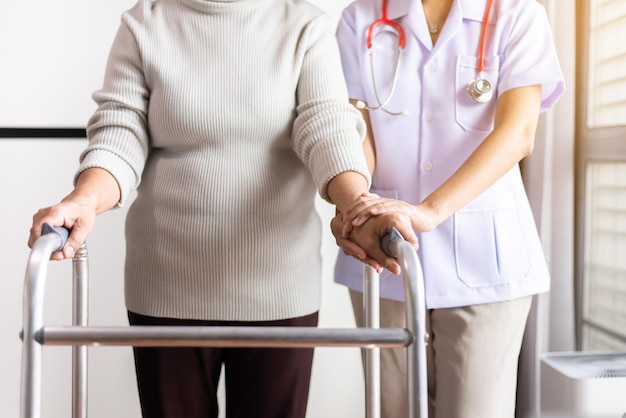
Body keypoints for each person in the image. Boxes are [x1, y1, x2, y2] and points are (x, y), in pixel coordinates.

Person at [27, 0, 416, 417]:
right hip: (166, 285)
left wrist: (358, 204)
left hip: (277, 287)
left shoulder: (304, 25)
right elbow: (121, 130)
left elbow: (326, 127)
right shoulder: (145, 23)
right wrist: (83, 200)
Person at [331, 0, 565, 417]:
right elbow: (354, 134)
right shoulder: (360, 19)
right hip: (385, 253)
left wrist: (430, 210)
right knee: (391, 410)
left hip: (486, 264)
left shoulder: (515, 13)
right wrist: (356, 203)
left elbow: (518, 133)